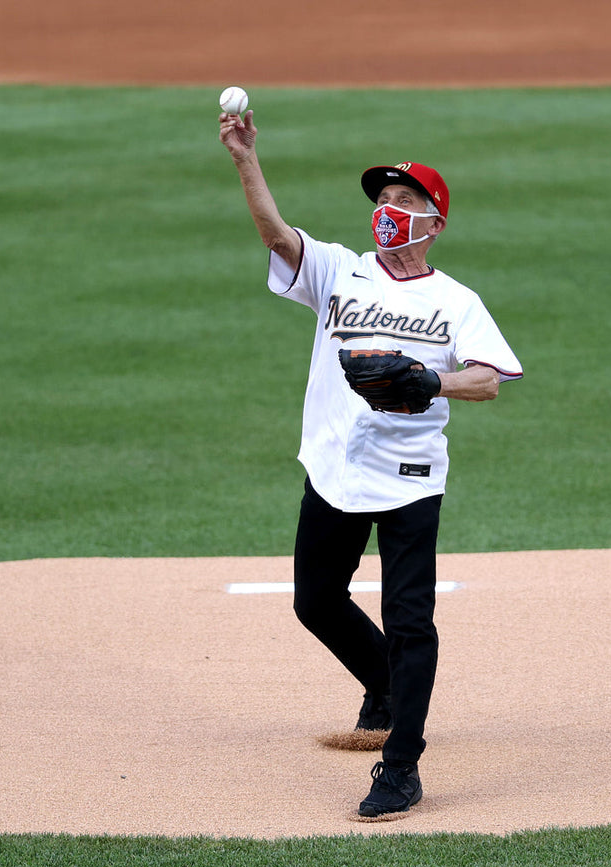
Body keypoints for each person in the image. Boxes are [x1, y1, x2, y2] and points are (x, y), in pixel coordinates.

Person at [219, 107, 523, 820]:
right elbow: (273, 232)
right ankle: (384, 684)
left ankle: (402, 765)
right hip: (332, 466)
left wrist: (430, 381)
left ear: (434, 222)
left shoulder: (456, 301)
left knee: (409, 618)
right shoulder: (337, 272)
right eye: (381, 202)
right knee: (315, 600)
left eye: (404, 202)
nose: (387, 212)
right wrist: (244, 158)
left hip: (410, 476)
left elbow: (488, 379)